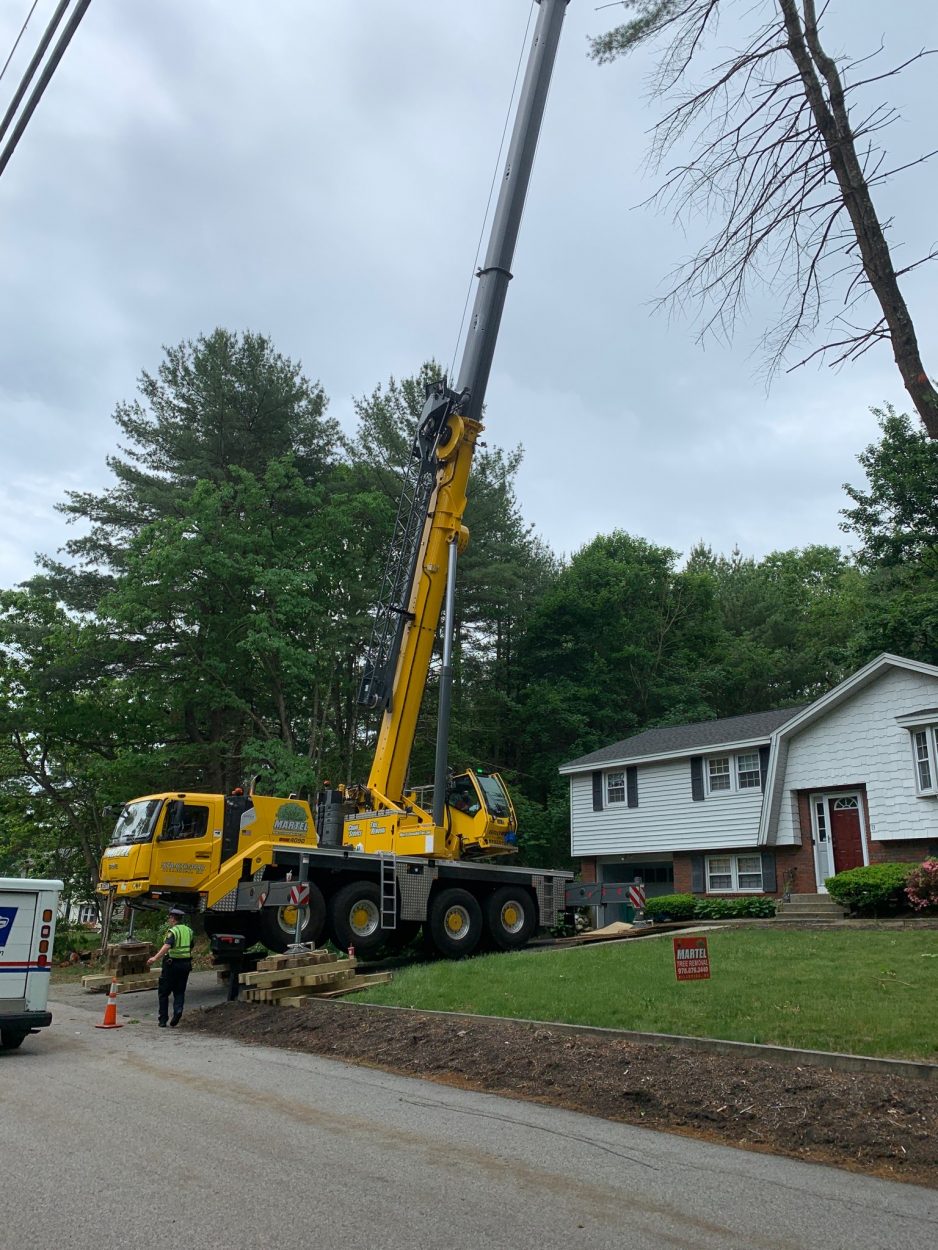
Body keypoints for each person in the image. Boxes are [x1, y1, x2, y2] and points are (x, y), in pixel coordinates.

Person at [147, 907, 194, 1028]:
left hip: (171, 964)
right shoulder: (189, 930)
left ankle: (163, 1020)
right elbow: (191, 945)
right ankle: (178, 1011)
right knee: (179, 990)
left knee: (164, 992)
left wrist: (154, 958)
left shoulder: (173, 931)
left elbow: (167, 946)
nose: (169, 919)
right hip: (186, 964)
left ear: (173, 918)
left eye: (169, 917)